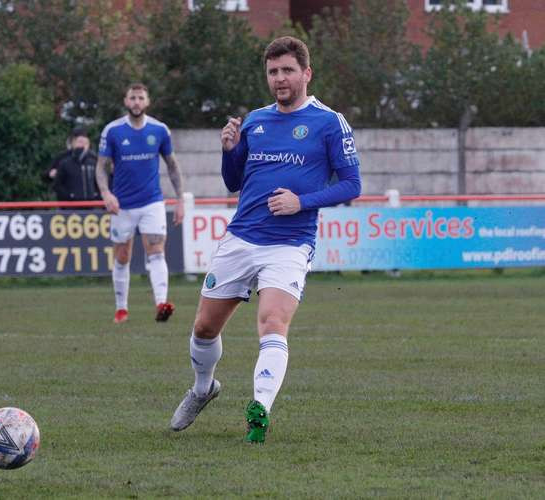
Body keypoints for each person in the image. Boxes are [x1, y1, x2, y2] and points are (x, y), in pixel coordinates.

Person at [169, 36, 362, 443]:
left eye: (288, 70)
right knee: (204, 327)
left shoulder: (330, 122)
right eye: (273, 72)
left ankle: (260, 410)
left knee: (273, 322)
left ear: (306, 73)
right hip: (241, 238)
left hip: (290, 244)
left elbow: (352, 184)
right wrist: (229, 150)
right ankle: (203, 389)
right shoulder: (255, 120)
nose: (280, 79)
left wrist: (301, 202)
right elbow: (233, 183)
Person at [95, 83, 185, 324]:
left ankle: (161, 303)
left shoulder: (159, 129)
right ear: (126, 101)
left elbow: (173, 166)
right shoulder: (112, 131)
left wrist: (180, 200)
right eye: (132, 98)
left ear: (147, 102)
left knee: (156, 252)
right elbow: (101, 167)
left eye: (140, 98)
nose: (136, 102)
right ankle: (121, 309)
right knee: (122, 256)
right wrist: (106, 193)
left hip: (152, 202)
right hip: (122, 205)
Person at [47, 127, 101, 202]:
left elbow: (101, 180)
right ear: (73, 142)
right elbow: (55, 182)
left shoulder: (93, 159)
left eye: (85, 142)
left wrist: (96, 195)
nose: (82, 145)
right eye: (79, 141)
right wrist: (69, 196)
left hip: (91, 203)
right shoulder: (63, 158)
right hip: (69, 204)